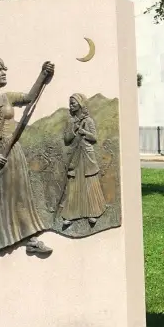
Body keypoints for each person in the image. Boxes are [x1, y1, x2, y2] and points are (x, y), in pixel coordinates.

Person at [0, 57, 53, 264]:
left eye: (4, 69)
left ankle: (31, 239)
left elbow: (30, 97)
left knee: (20, 195)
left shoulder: (8, 98)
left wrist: (43, 74)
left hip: (13, 153)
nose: (4, 72)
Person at [61, 93, 106, 228]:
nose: (71, 106)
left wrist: (84, 132)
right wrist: (74, 129)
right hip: (75, 156)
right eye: (70, 103)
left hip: (86, 154)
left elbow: (94, 138)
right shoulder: (70, 121)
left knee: (89, 181)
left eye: (73, 103)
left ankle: (93, 212)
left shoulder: (88, 121)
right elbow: (67, 139)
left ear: (80, 104)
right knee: (74, 184)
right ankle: (71, 215)